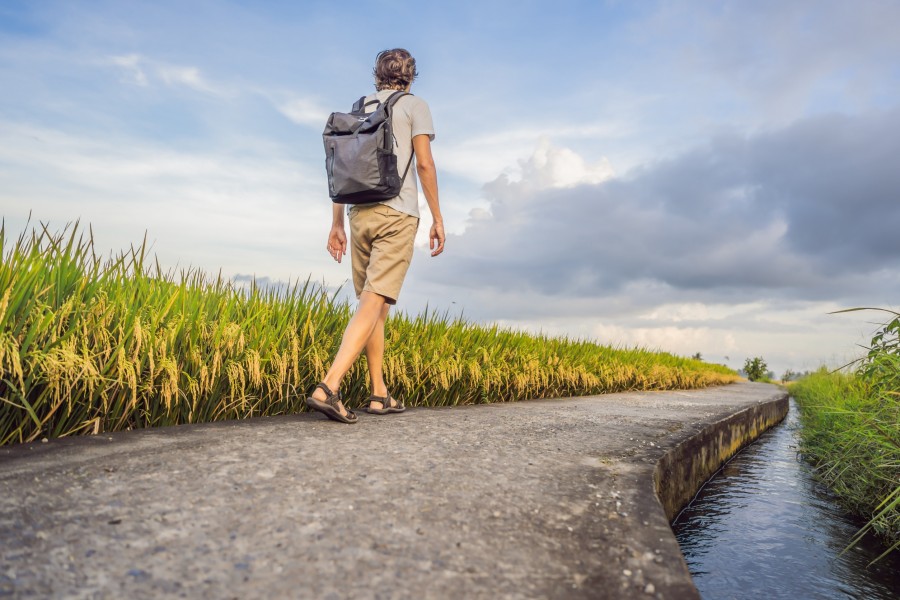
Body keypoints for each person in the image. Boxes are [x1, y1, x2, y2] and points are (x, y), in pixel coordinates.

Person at [306, 48, 445, 424]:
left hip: (358, 214)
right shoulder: (415, 105)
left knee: (376, 308)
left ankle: (379, 394)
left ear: (377, 76)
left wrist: (336, 223)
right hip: (397, 213)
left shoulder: (359, 107)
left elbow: (339, 169)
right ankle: (328, 387)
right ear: (410, 75)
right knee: (374, 302)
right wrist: (437, 217)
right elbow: (425, 163)